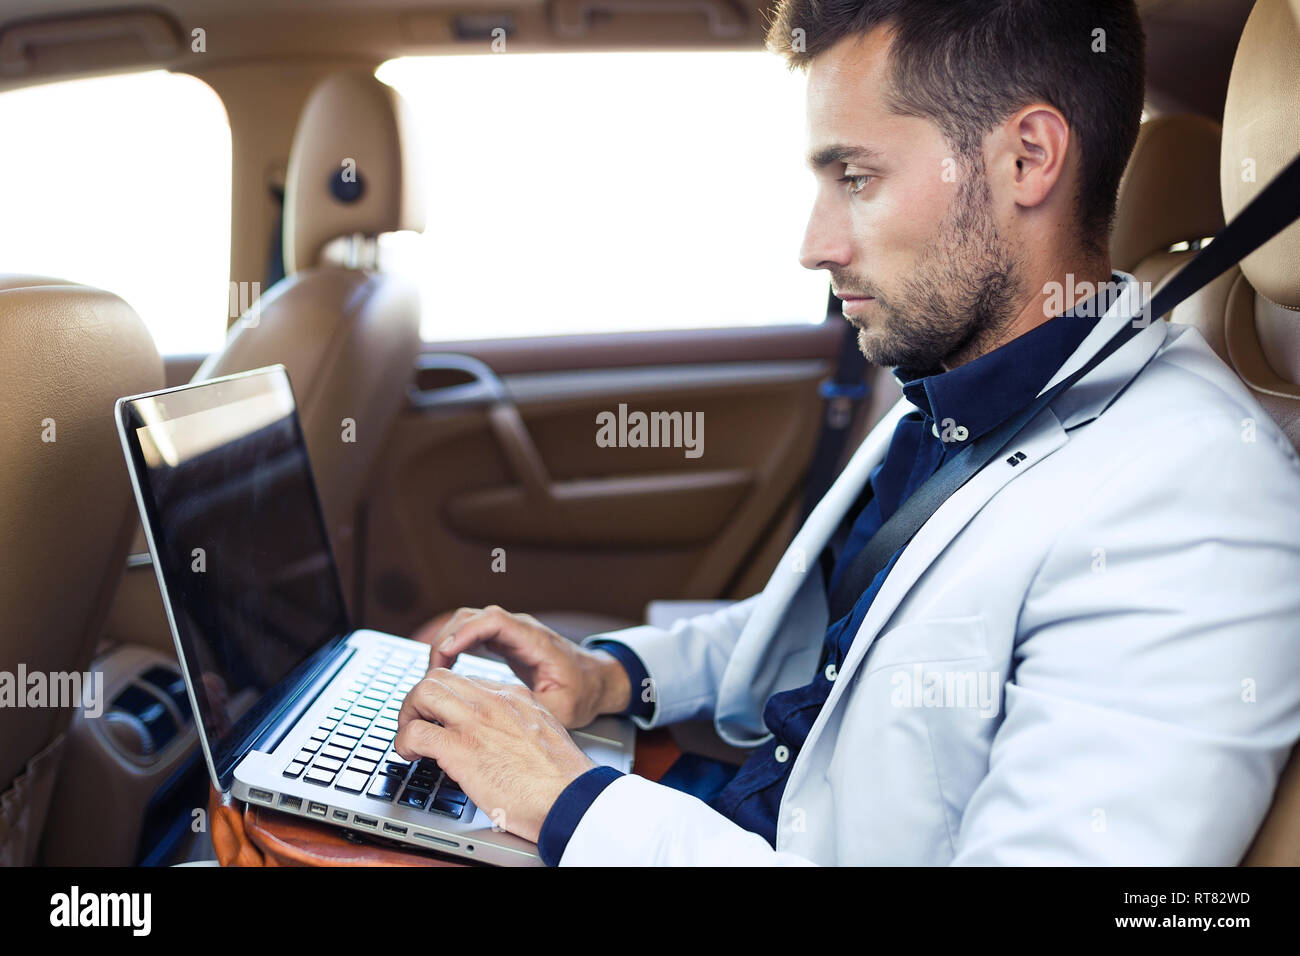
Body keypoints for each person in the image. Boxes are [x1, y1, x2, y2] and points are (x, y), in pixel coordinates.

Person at [393, 0, 1300, 865]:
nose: (814, 243)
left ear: (1027, 159)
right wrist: (613, 674)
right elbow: (833, 637)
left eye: (855, 178)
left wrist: (571, 805)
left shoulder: (1195, 500)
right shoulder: (970, 387)